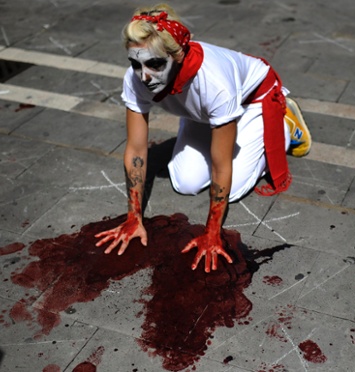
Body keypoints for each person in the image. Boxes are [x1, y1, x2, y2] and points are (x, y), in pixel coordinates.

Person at [94, 3, 311, 272]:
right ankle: (212, 120)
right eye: (135, 64)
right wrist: (133, 217)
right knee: (185, 182)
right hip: (203, 111)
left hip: (252, 98)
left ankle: (284, 122)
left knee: (235, 188)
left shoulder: (214, 82)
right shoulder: (136, 78)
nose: (144, 76)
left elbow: (222, 165)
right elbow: (137, 148)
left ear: (178, 55)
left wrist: (212, 232)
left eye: (155, 64)